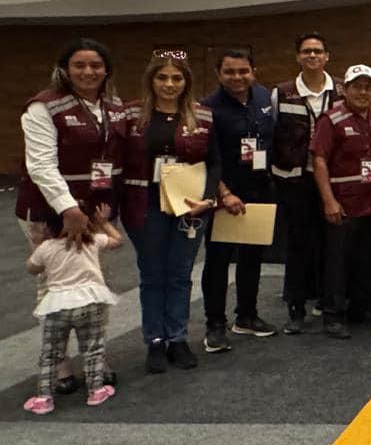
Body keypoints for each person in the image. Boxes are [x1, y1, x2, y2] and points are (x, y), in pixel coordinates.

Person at [16, 37, 125, 393]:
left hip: (96, 207)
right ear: (64, 69)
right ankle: (59, 362)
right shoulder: (43, 107)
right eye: (79, 65)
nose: (88, 71)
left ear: (106, 70)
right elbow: (41, 165)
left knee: (95, 280)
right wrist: (69, 209)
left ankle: (95, 355)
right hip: (49, 210)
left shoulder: (113, 105)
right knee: (54, 285)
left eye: (96, 65)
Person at [121, 51, 221, 373]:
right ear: (151, 80)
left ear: (186, 82)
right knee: (152, 274)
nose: (169, 84)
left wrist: (208, 198)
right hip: (144, 204)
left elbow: (215, 162)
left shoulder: (202, 115)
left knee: (179, 273)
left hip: (189, 206)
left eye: (177, 78)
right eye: (162, 77)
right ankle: (155, 340)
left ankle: (177, 338)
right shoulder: (131, 114)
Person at [200, 48, 276, 354]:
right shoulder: (208, 107)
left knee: (252, 257)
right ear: (218, 74)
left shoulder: (264, 97)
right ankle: (215, 325)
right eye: (229, 72)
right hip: (225, 194)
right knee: (218, 261)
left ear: (253, 71)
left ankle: (246, 315)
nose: (237, 77)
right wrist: (223, 193)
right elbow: (205, 157)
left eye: (243, 71)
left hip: (260, 188)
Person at [310, 64, 371, 339]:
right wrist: (328, 201)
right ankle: (333, 315)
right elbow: (319, 160)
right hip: (344, 204)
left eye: (368, 87)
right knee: (338, 263)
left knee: (367, 260)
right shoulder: (331, 119)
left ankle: (361, 308)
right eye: (357, 87)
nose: (363, 92)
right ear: (345, 89)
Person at [272, 32, 343, 334]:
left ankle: (329, 308)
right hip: (295, 181)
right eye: (306, 51)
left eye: (317, 51)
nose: (312, 55)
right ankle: (296, 309)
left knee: (332, 247)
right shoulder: (282, 93)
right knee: (297, 245)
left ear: (327, 56)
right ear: (298, 57)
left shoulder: (341, 90)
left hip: (332, 181)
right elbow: (273, 134)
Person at [23, 206, 122, 415]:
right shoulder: (92, 240)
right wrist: (103, 223)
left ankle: (44, 397)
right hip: (90, 302)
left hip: (57, 305)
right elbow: (117, 240)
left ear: (48, 227)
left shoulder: (47, 247)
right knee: (93, 348)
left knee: (51, 353)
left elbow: (32, 268)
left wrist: (38, 242)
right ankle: (96, 390)